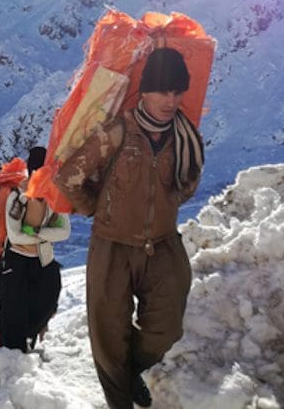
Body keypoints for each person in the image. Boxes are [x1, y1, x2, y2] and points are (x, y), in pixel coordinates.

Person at [54, 47, 204, 408]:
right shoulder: (118, 131)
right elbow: (68, 177)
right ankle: (120, 399)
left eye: (176, 92)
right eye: (162, 91)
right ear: (145, 92)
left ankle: (130, 370)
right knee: (108, 336)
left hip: (163, 245)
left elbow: (188, 181)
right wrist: (100, 209)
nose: (170, 100)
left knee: (166, 328)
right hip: (112, 245)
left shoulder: (186, 138)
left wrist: (163, 208)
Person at [0, 146, 71, 352]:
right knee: (13, 310)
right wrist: (46, 234)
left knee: (46, 301)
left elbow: (65, 232)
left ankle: (28, 342)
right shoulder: (17, 196)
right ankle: (12, 356)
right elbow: (14, 236)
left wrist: (33, 232)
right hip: (17, 260)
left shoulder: (53, 196)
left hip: (42, 259)